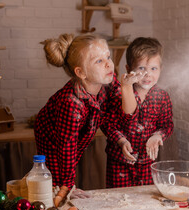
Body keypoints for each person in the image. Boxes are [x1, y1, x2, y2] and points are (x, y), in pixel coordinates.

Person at [34, 33, 120, 196]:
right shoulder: (71, 104)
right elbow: (66, 148)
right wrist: (67, 185)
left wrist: (131, 87)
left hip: (80, 130)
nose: (109, 64)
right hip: (52, 137)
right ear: (81, 72)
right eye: (99, 61)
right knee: (56, 184)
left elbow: (118, 100)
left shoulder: (106, 78)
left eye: (108, 56)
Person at [103, 37, 174, 188]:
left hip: (147, 163)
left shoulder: (162, 97)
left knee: (145, 198)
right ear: (129, 69)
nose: (148, 74)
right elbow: (108, 124)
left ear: (161, 69)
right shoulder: (118, 94)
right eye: (142, 68)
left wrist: (158, 135)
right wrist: (121, 141)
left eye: (153, 69)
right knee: (119, 199)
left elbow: (167, 124)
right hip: (119, 163)